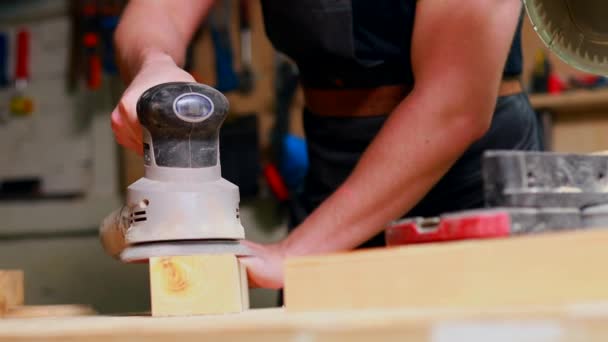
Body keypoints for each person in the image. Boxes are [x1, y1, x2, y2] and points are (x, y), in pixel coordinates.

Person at [111, 0, 540, 289]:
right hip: (333, 166)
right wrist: (155, 62)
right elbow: (157, 12)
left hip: (466, 183)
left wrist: (294, 253)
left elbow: (454, 106)